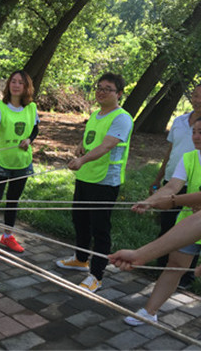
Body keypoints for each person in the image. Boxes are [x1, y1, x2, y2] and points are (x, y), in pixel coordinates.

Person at [121, 114, 201, 333]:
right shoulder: (190, 157)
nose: (195, 136)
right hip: (191, 223)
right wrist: (150, 201)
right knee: (175, 267)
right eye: (193, 132)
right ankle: (149, 312)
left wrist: (173, 201)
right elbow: (172, 186)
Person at [55, 73, 133, 293]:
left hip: (105, 181)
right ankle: (81, 259)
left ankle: (97, 275)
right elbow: (92, 138)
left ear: (118, 94)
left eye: (107, 89)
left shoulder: (122, 117)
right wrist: (81, 146)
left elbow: (107, 146)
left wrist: (81, 159)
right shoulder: (97, 114)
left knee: (100, 229)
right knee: (80, 220)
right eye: (98, 87)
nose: (101, 91)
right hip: (86, 176)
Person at [149, 82, 201, 283]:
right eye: (195, 95)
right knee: (169, 227)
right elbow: (170, 152)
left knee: (194, 230)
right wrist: (158, 180)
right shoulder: (179, 121)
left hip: (200, 186)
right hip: (174, 180)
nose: (198, 100)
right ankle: (164, 270)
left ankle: (186, 277)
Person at [0, 70, 39, 267]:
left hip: (22, 162)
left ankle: (7, 236)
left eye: (21, 82)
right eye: (13, 81)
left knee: (13, 201)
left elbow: (35, 128)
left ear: (26, 87)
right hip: (2, 161)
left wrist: (29, 139)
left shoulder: (32, 108)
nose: (16, 85)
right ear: (9, 85)